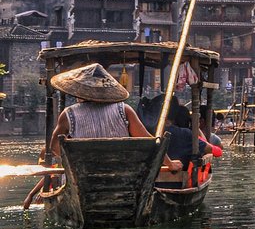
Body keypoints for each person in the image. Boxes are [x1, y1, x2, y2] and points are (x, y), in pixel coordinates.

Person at [44, 63, 183, 172]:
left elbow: (55, 148)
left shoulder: (69, 114)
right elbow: (150, 142)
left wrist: (75, 159)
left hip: (83, 175)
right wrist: (170, 164)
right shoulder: (124, 109)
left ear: (80, 91)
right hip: (123, 175)